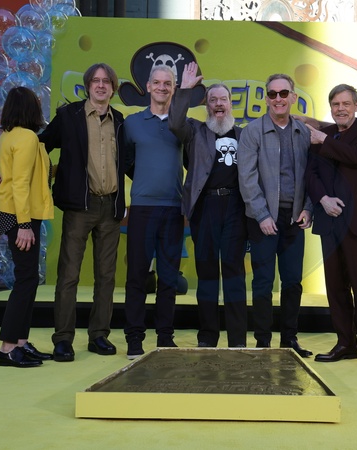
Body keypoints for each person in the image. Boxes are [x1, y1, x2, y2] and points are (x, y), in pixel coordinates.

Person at [39, 63, 126, 362]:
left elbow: (128, 162)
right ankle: (63, 339)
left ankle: (99, 335)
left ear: (113, 88)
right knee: (68, 275)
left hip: (110, 206)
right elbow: (41, 145)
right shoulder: (69, 115)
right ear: (88, 86)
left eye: (106, 81)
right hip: (79, 206)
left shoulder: (120, 121)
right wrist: (18, 172)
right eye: (96, 81)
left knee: (106, 276)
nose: (101, 85)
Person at [305, 84, 357, 370]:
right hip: (329, 220)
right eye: (335, 104)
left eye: (346, 104)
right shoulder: (322, 135)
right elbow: (310, 173)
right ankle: (345, 344)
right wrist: (323, 199)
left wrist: (324, 141)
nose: (340, 109)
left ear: (356, 106)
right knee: (336, 287)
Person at [168, 62, 248, 348]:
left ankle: (237, 340)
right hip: (205, 208)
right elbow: (174, 122)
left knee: (234, 273)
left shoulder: (244, 135)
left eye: (223, 99)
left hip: (236, 208)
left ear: (230, 104)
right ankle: (207, 337)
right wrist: (185, 89)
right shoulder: (195, 132)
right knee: (207, 274)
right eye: (213, 100)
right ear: (206, 106)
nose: (218, 104)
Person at [237, 73, 313, 358]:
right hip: (263, 220)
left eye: (283, 93)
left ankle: (289, 340)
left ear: (293, 96)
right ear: (266, 98)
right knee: (263, 282)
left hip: (294, 218)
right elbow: (246, 178)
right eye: (272, 94)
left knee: (293, 282)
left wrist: (308, 208)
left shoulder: (303, 132)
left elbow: (312, 175)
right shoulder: (252, 131)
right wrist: (261, 215)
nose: (278, 99)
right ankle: (263, 342)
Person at [122, 64, 184, 359]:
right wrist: (146, 183)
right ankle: (134, 339)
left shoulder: (182, 124)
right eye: (157, 82)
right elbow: (124, 161)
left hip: (173, 209)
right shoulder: (132, 123)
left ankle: (165, 338)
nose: (161, 87)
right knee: (137, 277)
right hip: (142, 209)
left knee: (169, 279)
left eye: (167, 83)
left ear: (174, 88)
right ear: (148, 86)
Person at [0, 87, 54, 368]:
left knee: (28, 278)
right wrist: (25, 225)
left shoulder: (8, 135)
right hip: (21, 215)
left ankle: (20, 342)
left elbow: (16, 175)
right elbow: (20, 183)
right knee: (26, 279)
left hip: (12, 212)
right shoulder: (27, 137)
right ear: (32, 109)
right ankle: (7, 348)